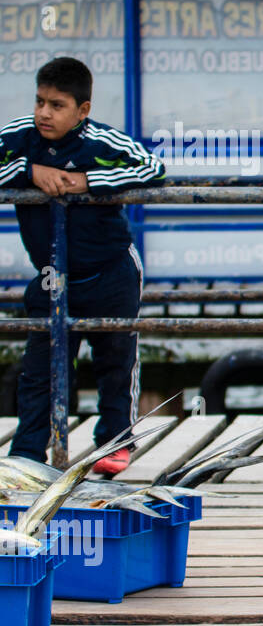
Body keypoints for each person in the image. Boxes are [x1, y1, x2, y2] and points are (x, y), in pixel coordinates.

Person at [0, 57, 165, 474]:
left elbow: (152, 167)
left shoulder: (101, 142)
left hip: (111, 271)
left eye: (57, 105)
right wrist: (27, 171)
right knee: (40, 369)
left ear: (83, 111)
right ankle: (27, 456)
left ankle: (115, 444)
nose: (43, 113)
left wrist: (88, 181)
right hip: (53, 277)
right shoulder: (19, 137)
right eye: (39, 102)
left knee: (115, 360)